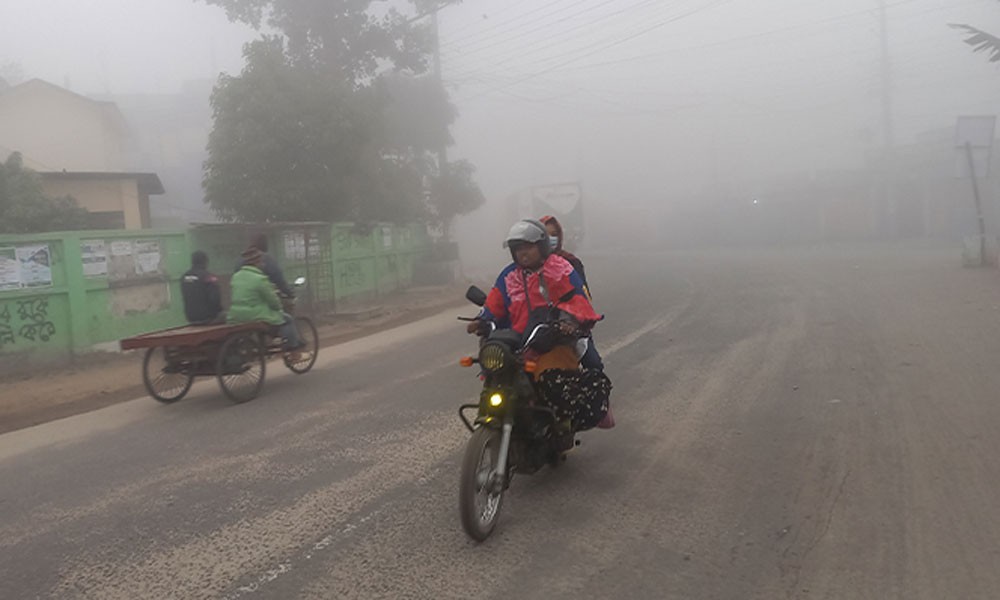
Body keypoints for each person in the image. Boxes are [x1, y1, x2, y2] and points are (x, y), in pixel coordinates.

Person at [540, 214, 605, 373]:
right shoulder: (527, 267)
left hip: (569, 326)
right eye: (546, 235)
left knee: (593, 364)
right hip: (537, 327)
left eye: (554, 235)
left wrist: (570, 321)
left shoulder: (571, 263)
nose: (551, 239)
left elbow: (582, 296)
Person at [228, 247, 304, 352]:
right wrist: (279, 307)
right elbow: (273, 302)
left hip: (236, 315)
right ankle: (293, 351)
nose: (263, 264)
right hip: (256, 315)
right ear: (257, 263)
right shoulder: (260, 279)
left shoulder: (235, 277)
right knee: (287, 319)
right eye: (261, 262)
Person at [234, 232, 295, 298]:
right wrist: (289, 294)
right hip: (260, 301)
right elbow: (279, 280)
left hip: (241, 301)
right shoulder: (266, 259)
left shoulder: (239, 261)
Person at [181, 251, 224, 325]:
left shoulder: (184, 277)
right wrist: (220, 311)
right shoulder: (208, 277)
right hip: (207, 317)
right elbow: (215, 299)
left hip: (190, 317)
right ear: (205, 261)